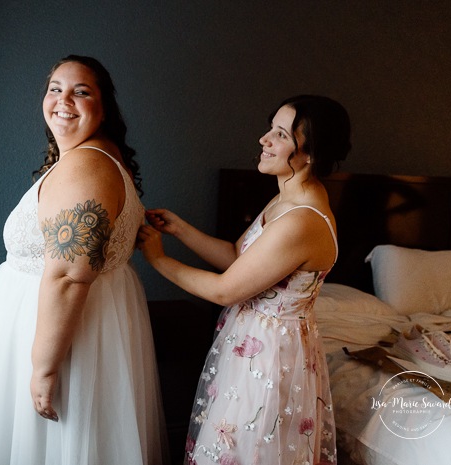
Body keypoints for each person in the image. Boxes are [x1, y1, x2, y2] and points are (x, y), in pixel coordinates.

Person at [0, 55, 168, 465]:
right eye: (55, 88)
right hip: (81, 325)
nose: (63, 100)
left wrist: (44, 368)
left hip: (59, 335)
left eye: (81, 92)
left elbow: (68, 277)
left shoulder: (86, 166)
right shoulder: (100, 156)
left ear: (103, 110)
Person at [137, 95, 351, 465]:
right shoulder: (287, 197)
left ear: (310, 153)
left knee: (248, 450)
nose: (263, 140)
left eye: (280, 135)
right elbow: (240, 258)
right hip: (254, 345)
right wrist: (181, 230)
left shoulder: (302, 219)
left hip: (269, 359)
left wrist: (157, 259)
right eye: (270, 129)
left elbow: (225, 290)